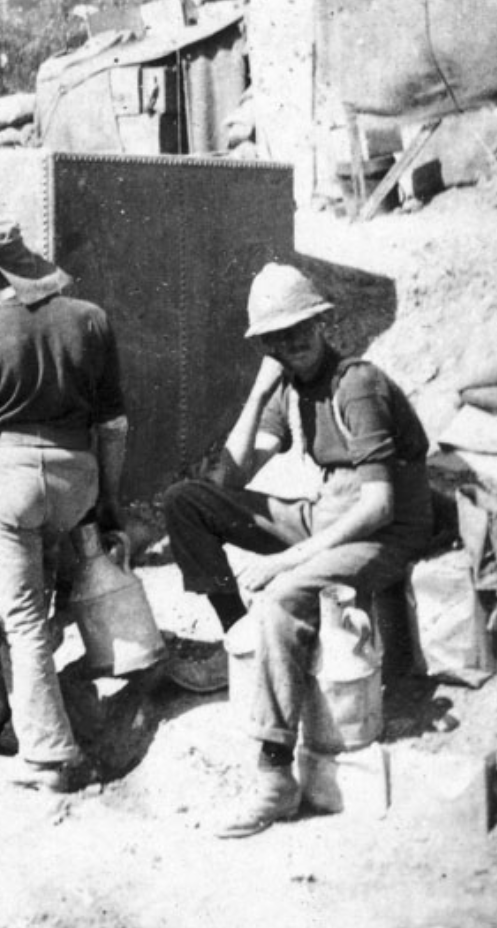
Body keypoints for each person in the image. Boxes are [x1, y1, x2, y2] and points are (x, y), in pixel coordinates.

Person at [161, 263, 436, 838]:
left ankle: (274, 776)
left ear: (324, 324)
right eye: (277, 339)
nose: (293, 347)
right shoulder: (287, 386)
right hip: (327, 517)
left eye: (301, 333)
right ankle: (239, 635)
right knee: (189, 500)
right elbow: (229, 479)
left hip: (382, 530)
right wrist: (261, 387)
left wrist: (289, 560)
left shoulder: (355, 384)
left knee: (286, 595)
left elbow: (380, 504)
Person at [0, 218, 128, 795]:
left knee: (23, 618)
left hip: (13, 485)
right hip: (78, 479)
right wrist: (108, 503)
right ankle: (62, 711)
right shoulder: (90, 319)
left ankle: (45, 755)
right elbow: (114, 425)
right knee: (61, 594)